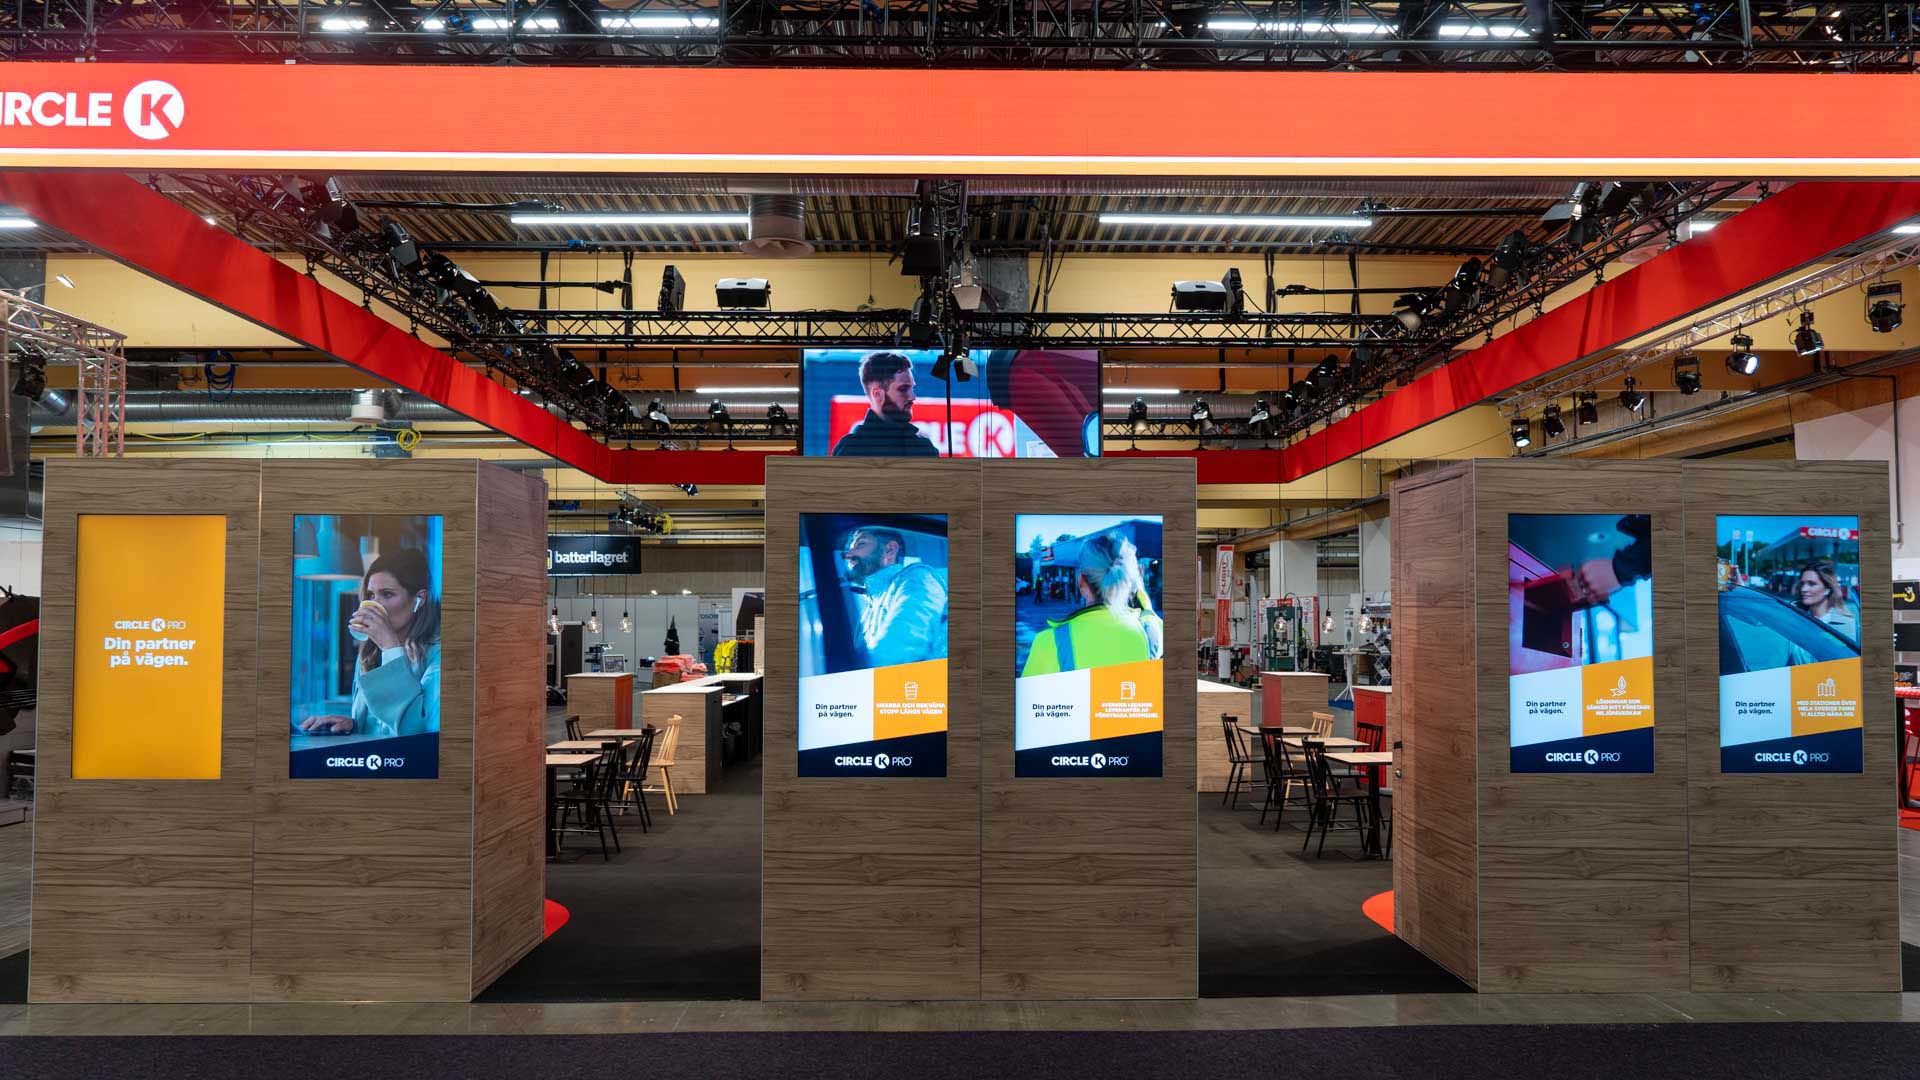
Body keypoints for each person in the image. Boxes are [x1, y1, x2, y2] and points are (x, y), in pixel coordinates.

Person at [298, 548, 442, 738]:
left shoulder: (439, 655)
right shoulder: (369, 656)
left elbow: (417, 733)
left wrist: (391, 647)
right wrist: (355, 726)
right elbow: (384, 728)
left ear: (419, 599)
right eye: (371, 595)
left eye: (388, 594)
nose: (376, 605)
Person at [1020, 532, 1164, 677]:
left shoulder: (1048, 643)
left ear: (1081, 581)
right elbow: (1151, 617)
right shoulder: (1150, 632)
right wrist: (1142, 595)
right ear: (1129, 582)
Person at [842, 525, 946, 667]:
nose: (848, 555)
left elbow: (903, 644)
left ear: (890, 550)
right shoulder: (868, 611)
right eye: (849, 549)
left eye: (860, 544)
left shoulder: (916, 577)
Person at [831, 351, 939, 457]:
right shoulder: (851, 448)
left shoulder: (923, 447)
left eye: (912, 388)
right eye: (903, 389)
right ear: (877, 394)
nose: (912, 397)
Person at [1795, 559, 1858, 641]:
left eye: (1812, 584)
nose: (1804, 589)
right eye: (1802, 583)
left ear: (1827, 589)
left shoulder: (1845, 623)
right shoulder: (1795, 616)